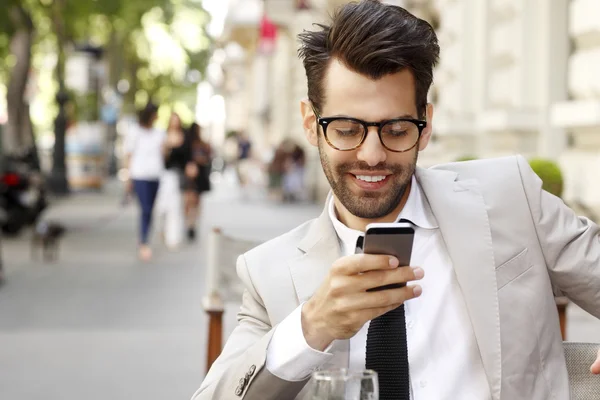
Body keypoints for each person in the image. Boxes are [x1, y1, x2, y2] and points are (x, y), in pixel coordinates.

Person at [192, 1, 600, 399]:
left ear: (425, 126)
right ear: (310, 124)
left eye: (397, 129)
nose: (372, 155)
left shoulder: (509, 198)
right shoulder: (268, 272)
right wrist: (312, 324)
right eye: (348, 129)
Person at [123, 102, 165, 261]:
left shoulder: (159, 132)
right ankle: (144, 241)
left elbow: (163, 154)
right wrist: (127, 177)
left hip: (155, 175)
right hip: (139, 175)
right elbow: (129, 154)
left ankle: (145, 237)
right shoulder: (135, 131)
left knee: (150, 208)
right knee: (145, 208)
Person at [155, 112, 187, 250]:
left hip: (178, 176)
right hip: (164, 175)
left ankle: (173, 238)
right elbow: (160, 157)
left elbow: (187, 156)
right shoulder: (163, 135)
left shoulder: (184, 137)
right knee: (161, 207)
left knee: (175, 208)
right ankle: (162, 230)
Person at [182, 122, 212, 241]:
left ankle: (192, 224)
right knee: (191, 202)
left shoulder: (202, 144)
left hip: (198, 179)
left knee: (194, 202)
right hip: (190, 179)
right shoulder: (190, 145)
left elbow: (207, 159)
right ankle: (190, 223)